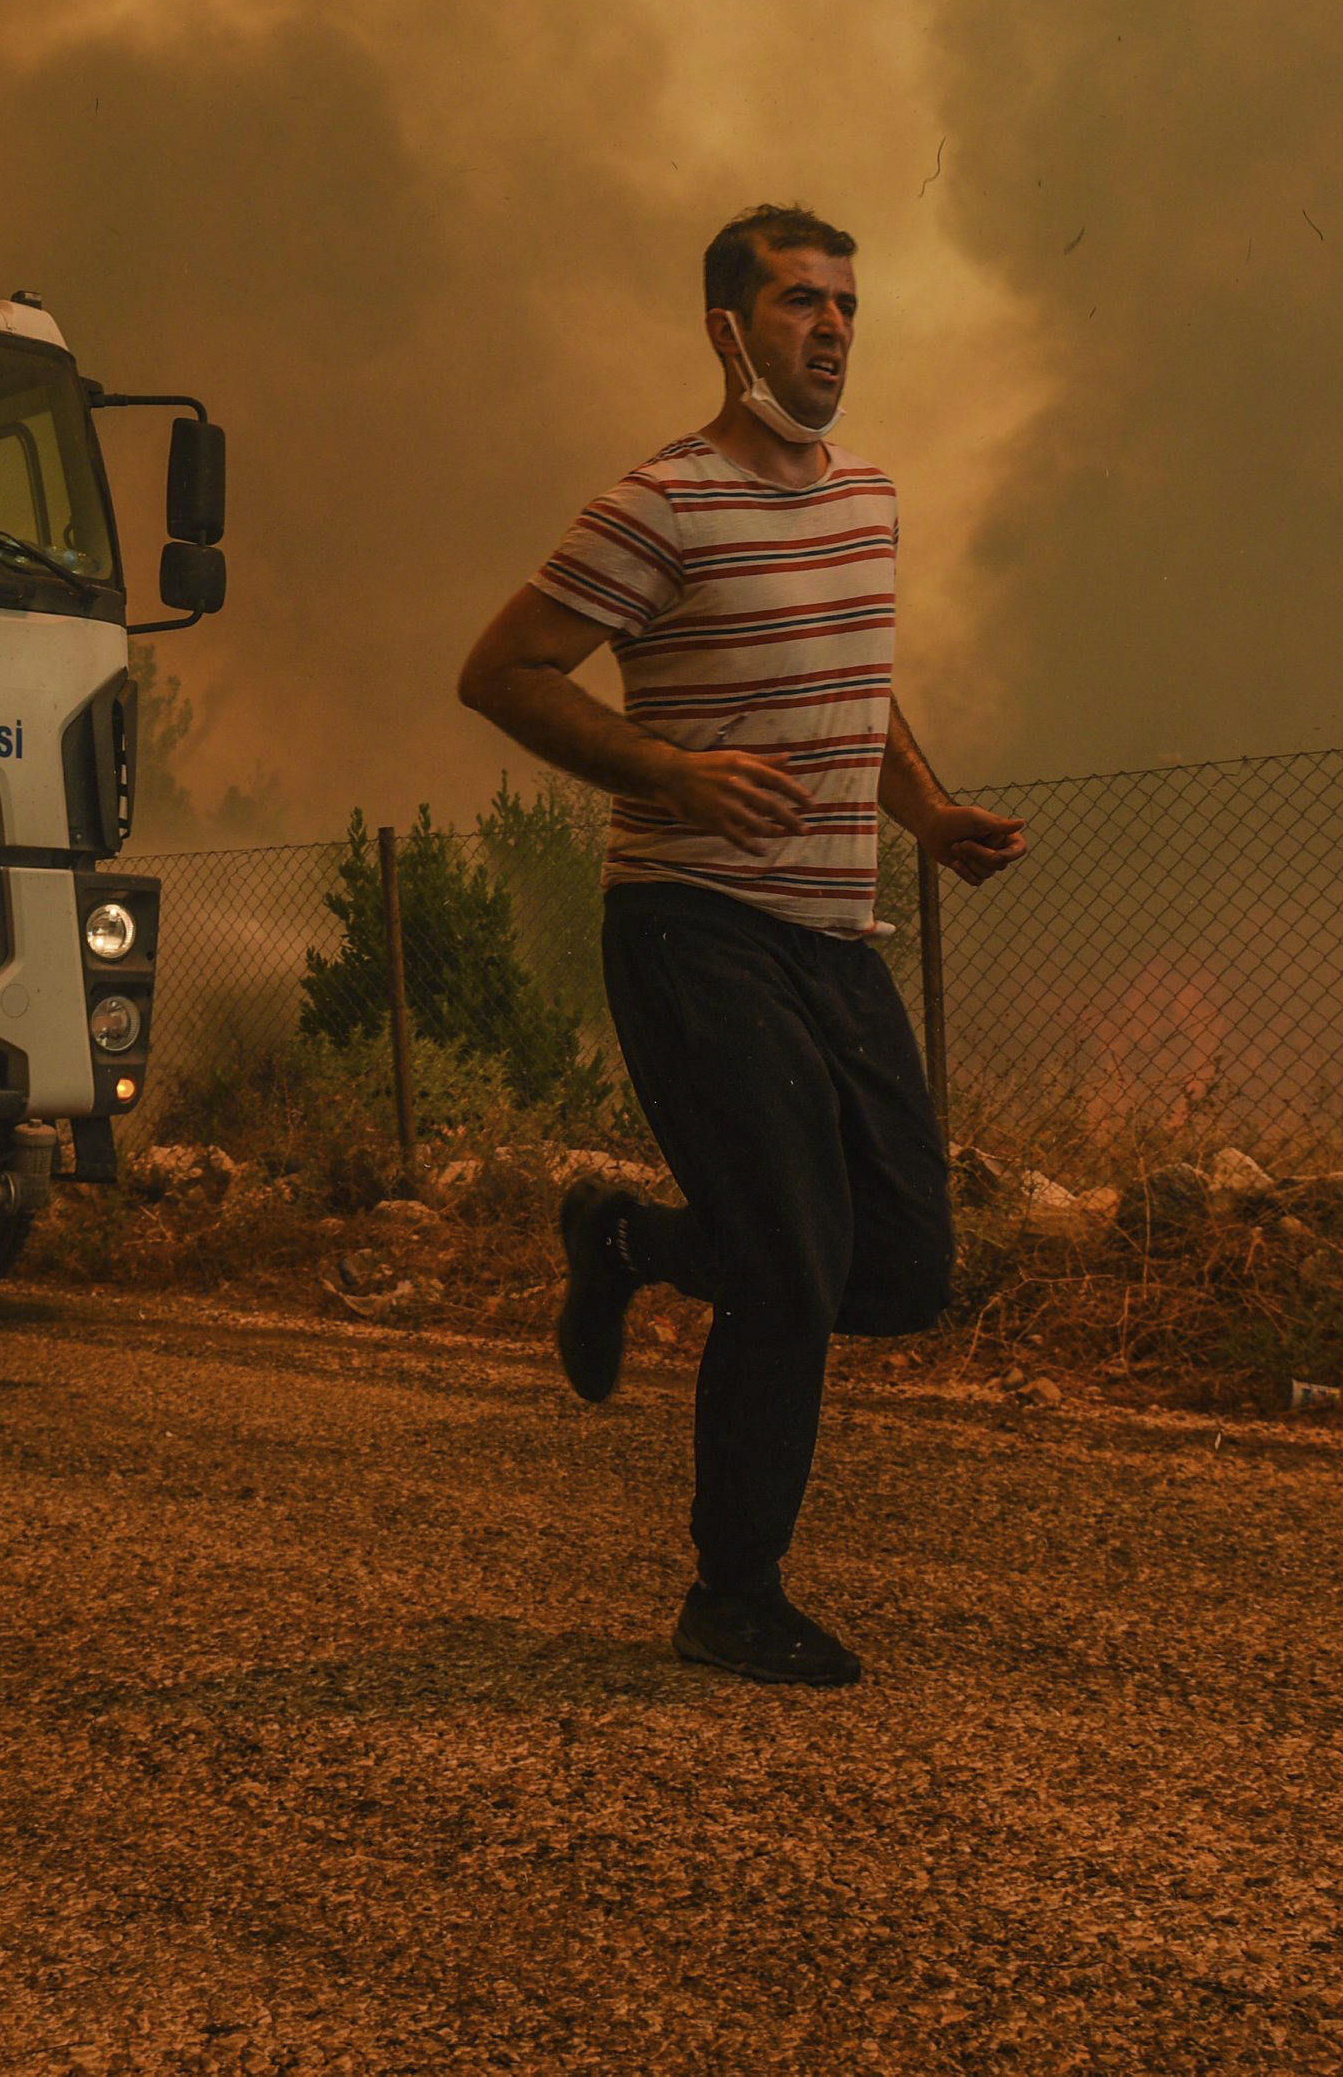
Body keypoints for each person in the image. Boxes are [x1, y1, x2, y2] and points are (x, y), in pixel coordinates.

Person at [455, 202, 1030, 1688]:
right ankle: (732, 1591)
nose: (831, 329)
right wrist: (667, 772)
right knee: (791, 1260)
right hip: (692, 925)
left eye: (846, 304)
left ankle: (629, 1240)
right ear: (729, 327)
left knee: (899, 1267)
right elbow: (502, 671)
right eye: (797, 304)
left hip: (835, 939)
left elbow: (851, 681)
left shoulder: (871, 501)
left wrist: (926, 808)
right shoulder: (659, 504)